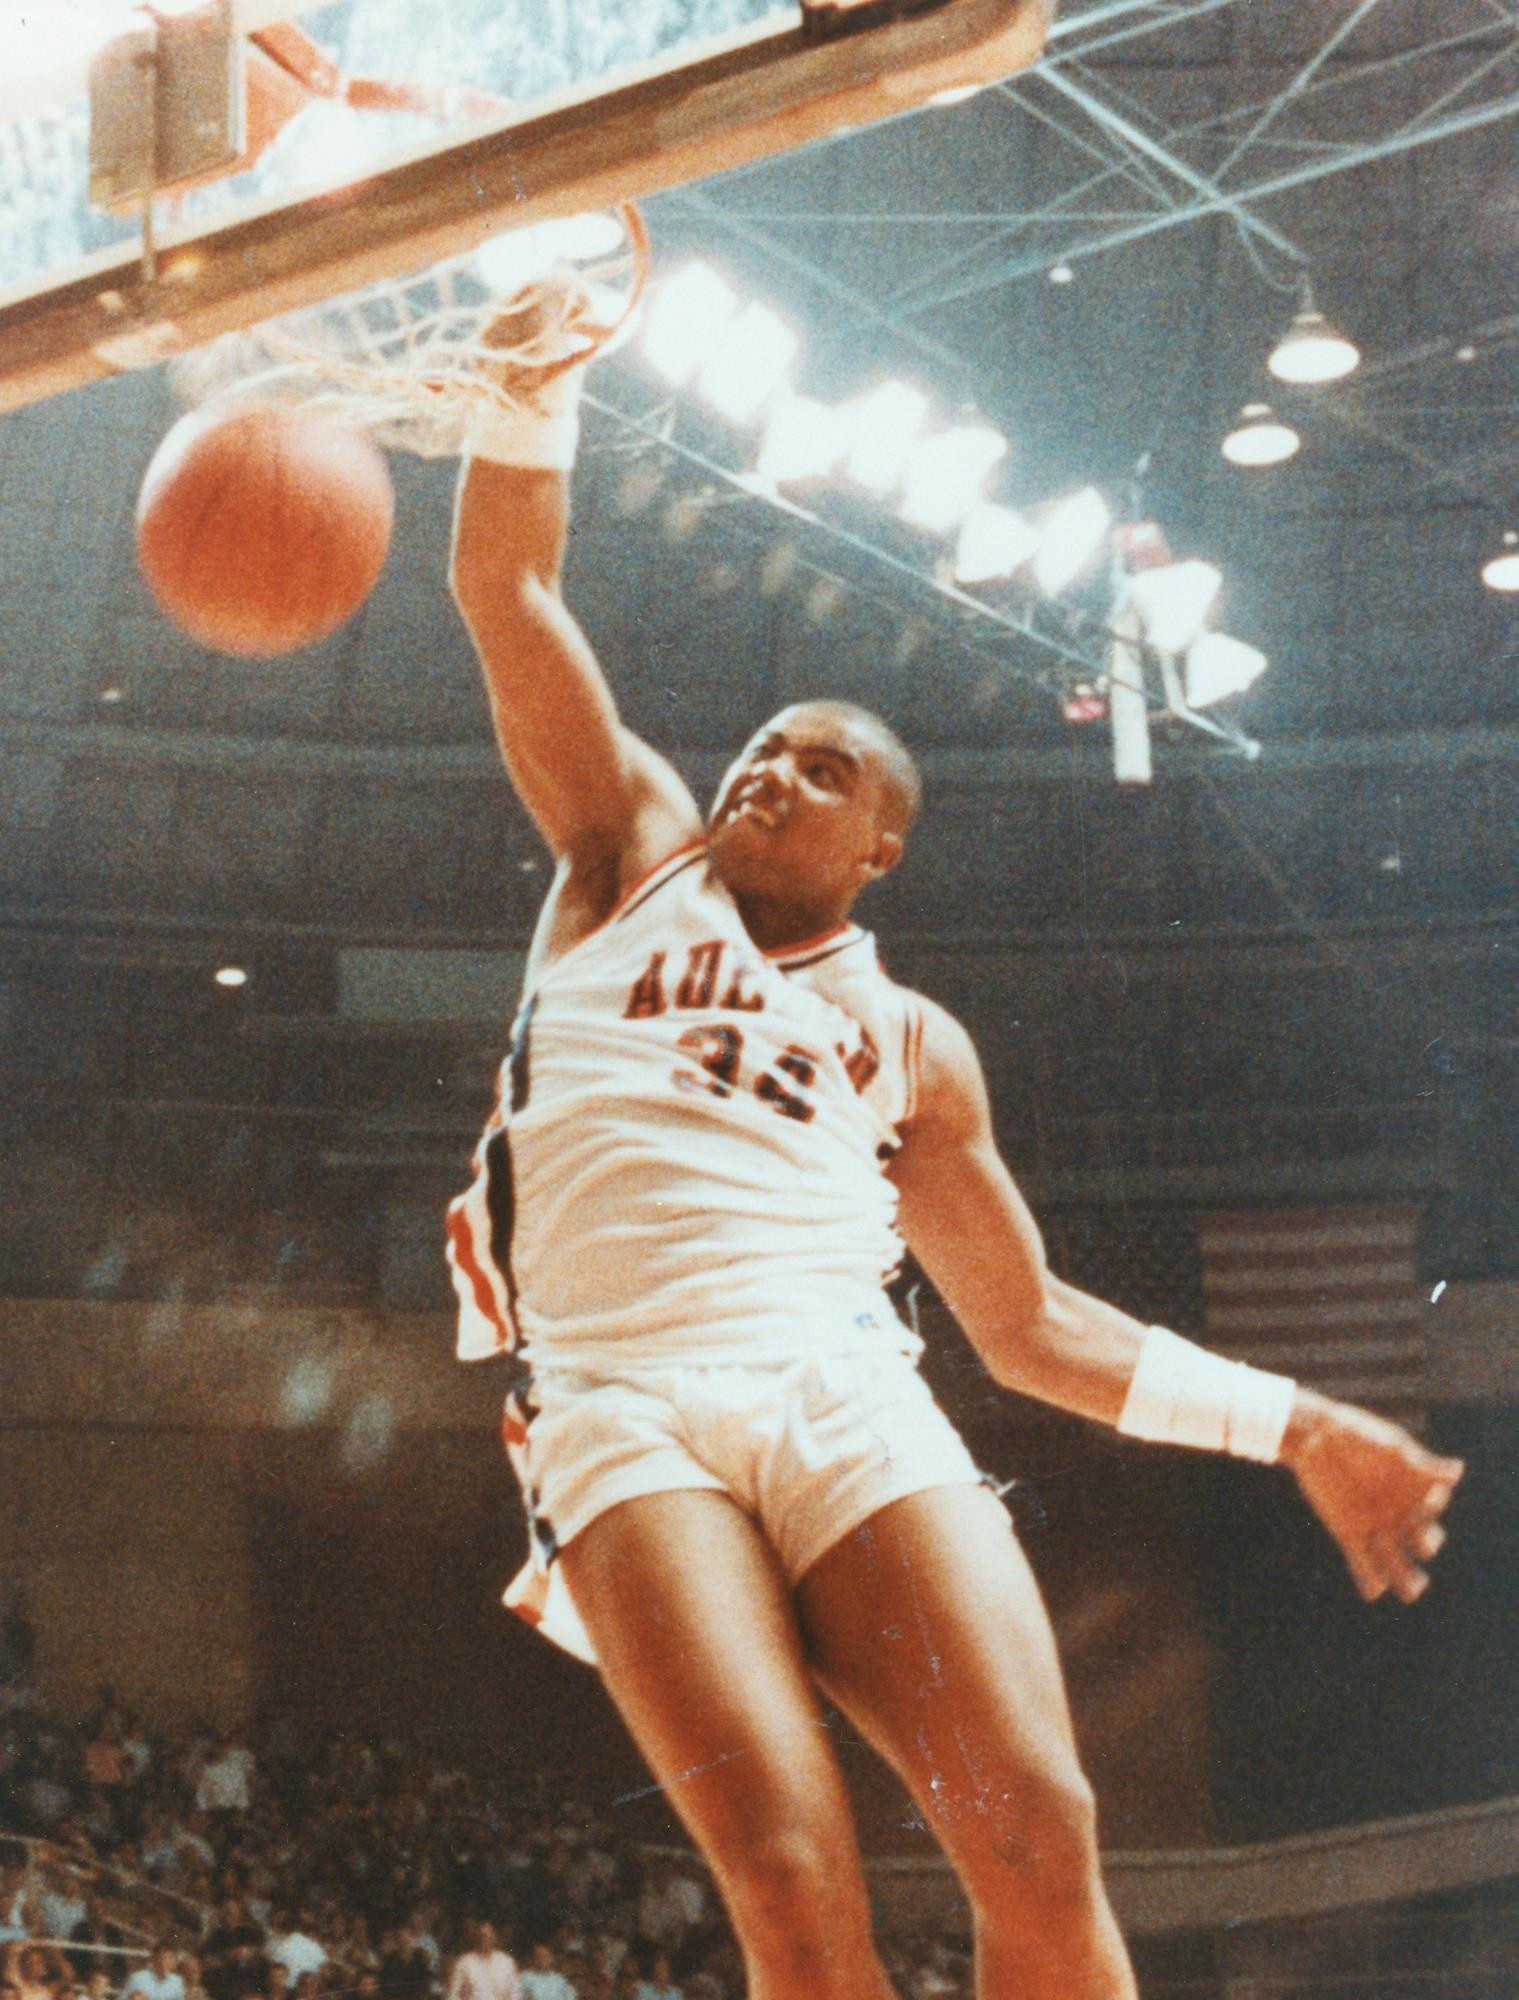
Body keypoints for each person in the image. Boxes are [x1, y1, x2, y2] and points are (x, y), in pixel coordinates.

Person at [443, 306, 1465, 2000]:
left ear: (883, 846)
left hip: (837, 1383)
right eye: (764, 750)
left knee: (1040, 1834)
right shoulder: (629, 852)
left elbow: (1033, 1329)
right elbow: (508, 589)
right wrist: (535, 384)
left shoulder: (917, 1048)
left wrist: (1301, 1425)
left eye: (823, 768)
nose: (772, 773)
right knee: (790, 1881)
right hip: (622, 1394)